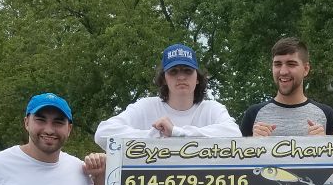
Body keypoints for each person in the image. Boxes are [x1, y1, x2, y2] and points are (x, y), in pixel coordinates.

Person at [93, 43, 240, 147]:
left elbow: (234, 135)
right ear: (164, 78)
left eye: (187, 71)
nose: (181, 77)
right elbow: (103, 134)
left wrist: (177, 133)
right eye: (174, 71)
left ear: (198, 79)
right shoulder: (146, 106)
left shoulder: (212, 108)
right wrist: (155, 136)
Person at [240, 37, 333, 136]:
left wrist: (325, 143)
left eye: (291, 64)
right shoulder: (253, 114)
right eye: (277, 64)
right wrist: (252, 143)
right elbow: (235, 150)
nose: (283, 71)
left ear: (306, 69)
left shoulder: (326, 114)